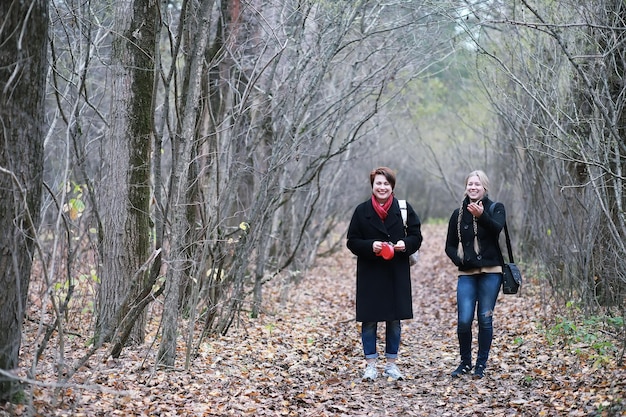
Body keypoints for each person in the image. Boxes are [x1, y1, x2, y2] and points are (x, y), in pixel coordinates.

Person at [347, 167, 422, 381]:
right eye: (378, 183)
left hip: (395, 272)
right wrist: (371, 246)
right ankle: (370, 365)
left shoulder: (404, 209)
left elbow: (417, 236)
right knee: (369, 321)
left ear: (392, 186)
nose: (382, 187)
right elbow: (352, 242)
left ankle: (391, 365)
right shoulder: (361, 211)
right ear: (372, 185)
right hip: (370, 272)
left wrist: (403, 244)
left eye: (386, 184)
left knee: (394, 320)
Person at [444, 170, 505, 379]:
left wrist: (481, 216)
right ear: (466, 187)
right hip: (467, 273)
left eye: (477, 184)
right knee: (464, 320)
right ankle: (465, 362)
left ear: (484, 187)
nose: (473, 188)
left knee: (485, 319)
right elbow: (449, 246)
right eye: (470, 184)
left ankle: (481, 364)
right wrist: (460, 260)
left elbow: (497, 229)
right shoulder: (457, 214)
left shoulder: (496, 208)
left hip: (492, 272)